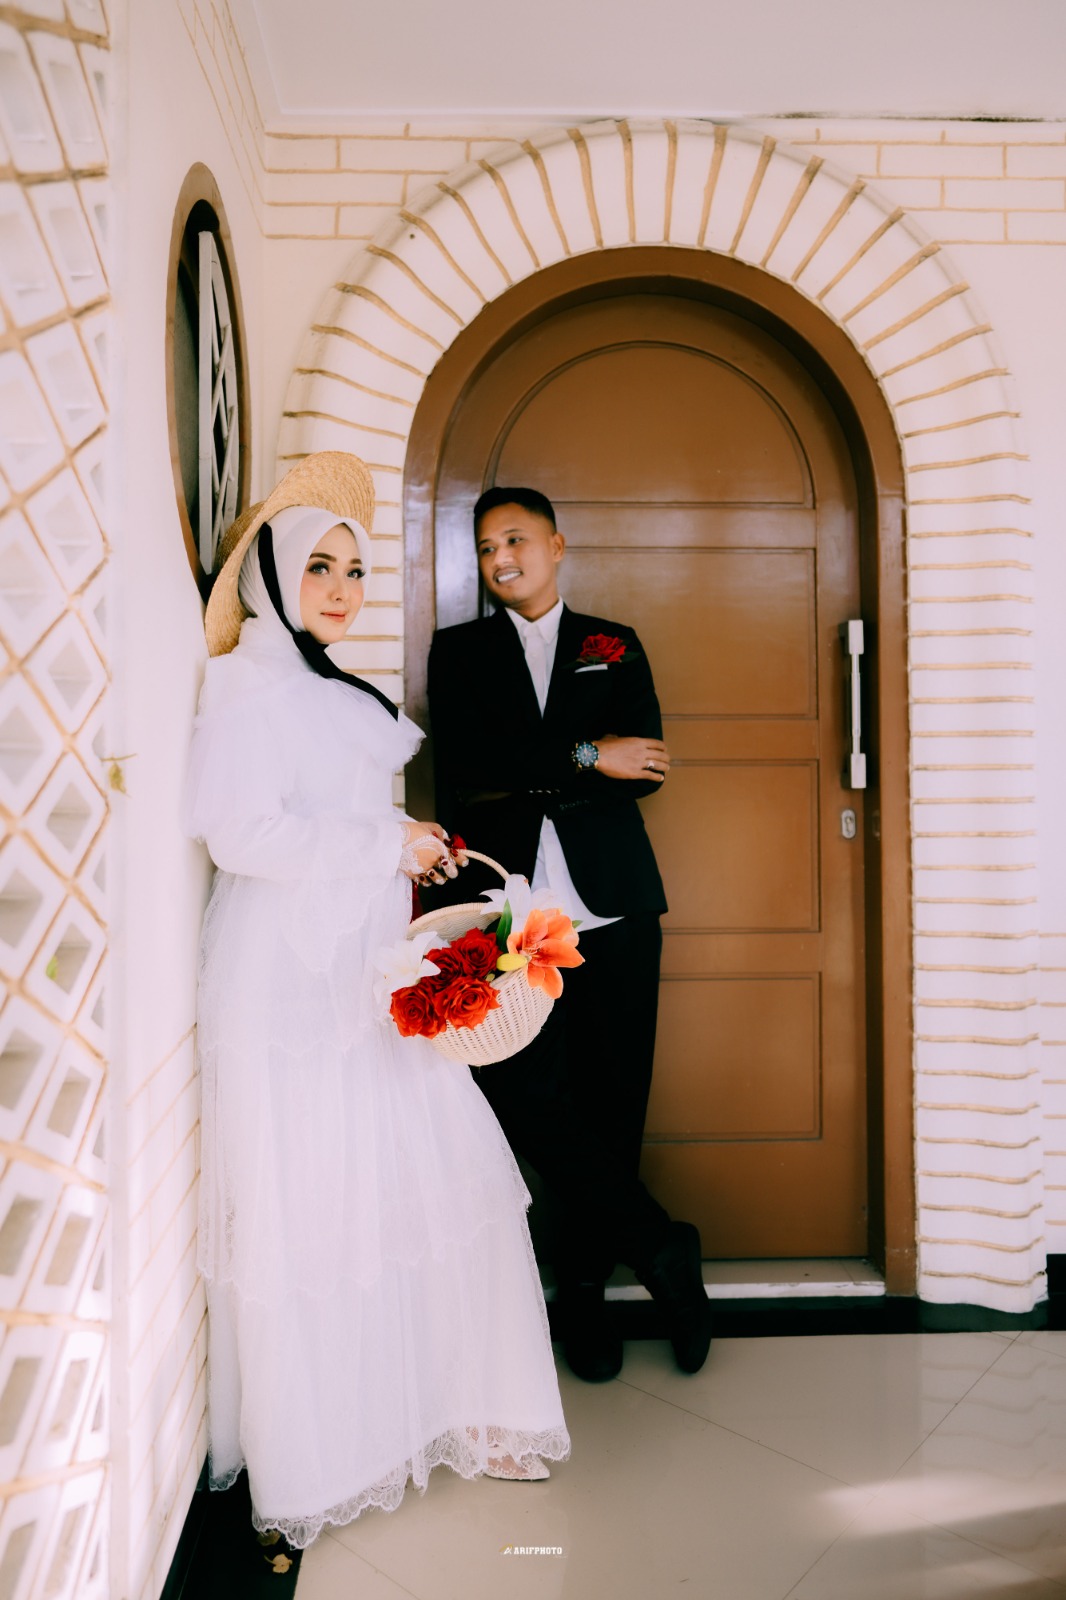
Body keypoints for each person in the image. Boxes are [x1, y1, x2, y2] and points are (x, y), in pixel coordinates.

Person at [185, 453, 569, 1552]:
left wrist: (408, 841)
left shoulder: (331, 688)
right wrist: (380, 842)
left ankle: (462, 1410)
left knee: (431, 1176)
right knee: (319, 1198)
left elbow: (338, 821)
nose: (343, 589)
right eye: (319, 567)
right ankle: (327, 1451)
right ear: (269, 576)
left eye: (354, 570)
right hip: (289, 980)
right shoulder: (245, 685)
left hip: (362, 963)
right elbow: (242, 836)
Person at [427, 486, 713, 1384]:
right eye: (485, 548)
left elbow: (648, 764)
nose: (499, 558)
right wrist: (590, 754)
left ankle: (584, 1291)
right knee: (521, 1093)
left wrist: (542, 765)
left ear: (556, 545)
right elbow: (468, 765)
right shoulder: (459, 652)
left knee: (614, 1101)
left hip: (615, 906)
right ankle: (663, 1248)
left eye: (514, 539)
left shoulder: (612, 644)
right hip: (509, 917)